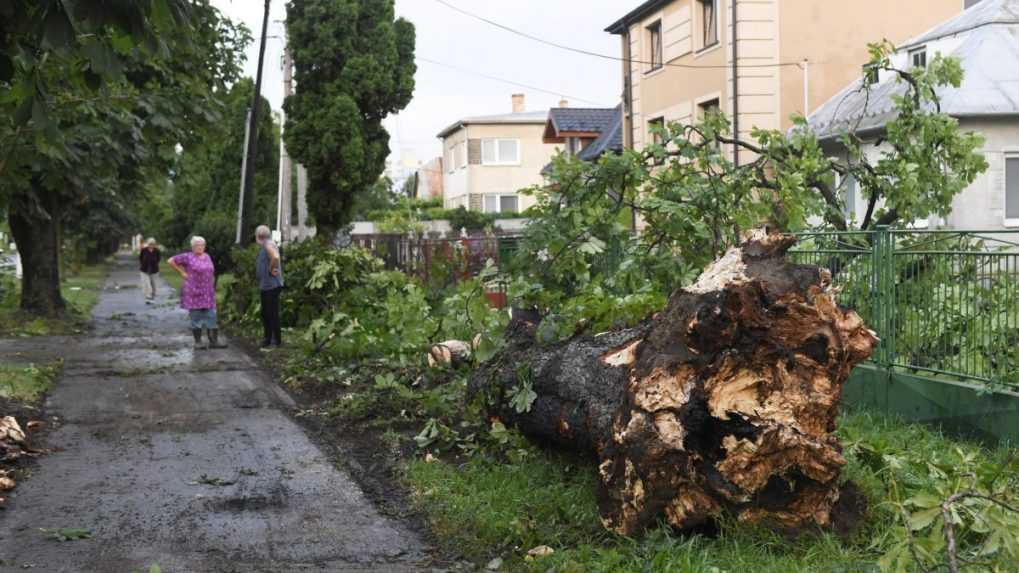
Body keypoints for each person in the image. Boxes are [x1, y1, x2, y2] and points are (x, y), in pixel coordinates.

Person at [167, 236, 226, 350]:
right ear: (192, 247)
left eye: (202, 245)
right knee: (196, 316)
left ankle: (213, 341)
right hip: (193, 290)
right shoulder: (188, 256)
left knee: (212, 315)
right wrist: (182, 272)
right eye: (197, 245)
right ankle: (198, 342)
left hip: (207, 291)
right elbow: (170, 261)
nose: (199, 247)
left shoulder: (207, 256)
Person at [254, 225, 284, 348]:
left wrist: (271, 269)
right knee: (266, 313)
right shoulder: (266, 244)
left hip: (271, 285)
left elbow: (275, 257)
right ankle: (268, 339)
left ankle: (275, 340)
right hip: (266, 285)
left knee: (271, 313)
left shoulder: (267, 244)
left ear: (258, 236)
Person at [139, 238, 161, 303]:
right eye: (150, 244)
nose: (151, 245)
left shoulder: (157, 251)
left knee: (154, 285)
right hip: (144, 270)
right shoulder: (144, 250)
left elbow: (158, 259)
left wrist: (154, 264)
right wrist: (143, 264)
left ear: (154, 244)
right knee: (147, 284)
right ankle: (148, 296)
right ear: (148, 244)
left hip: (154, 270)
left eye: (152, 244)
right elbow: (140, 258)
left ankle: (152, 297)